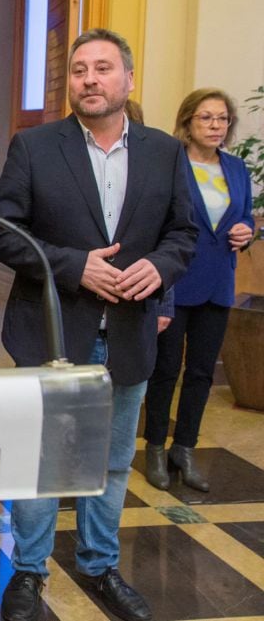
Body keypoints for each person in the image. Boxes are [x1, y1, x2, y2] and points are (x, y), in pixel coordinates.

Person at [0, 28, 197, 621]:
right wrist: (75, 267)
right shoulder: (35, 147)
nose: (90, 80)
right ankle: (28, 572)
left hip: (129, 330)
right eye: (79, 70)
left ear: (129, 79)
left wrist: (158, 266)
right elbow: (0, 232)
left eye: (103, 69)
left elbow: (185, 234)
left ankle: (100, 564)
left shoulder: (163, 151)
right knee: (42, 457)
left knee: (108, 458)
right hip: (51, 330)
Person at [143, 88, 255, 492]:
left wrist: (249, 230)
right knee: (165, 371)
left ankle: (184, 448)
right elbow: (158, 222)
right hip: (177, 282)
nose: (215, 126)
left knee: (202, 373)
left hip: (218, 283)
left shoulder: (237, 168)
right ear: (188, 122)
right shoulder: (171, 163)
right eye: (206, 118)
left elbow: (244, 217)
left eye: (222, 119)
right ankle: (155, 446)